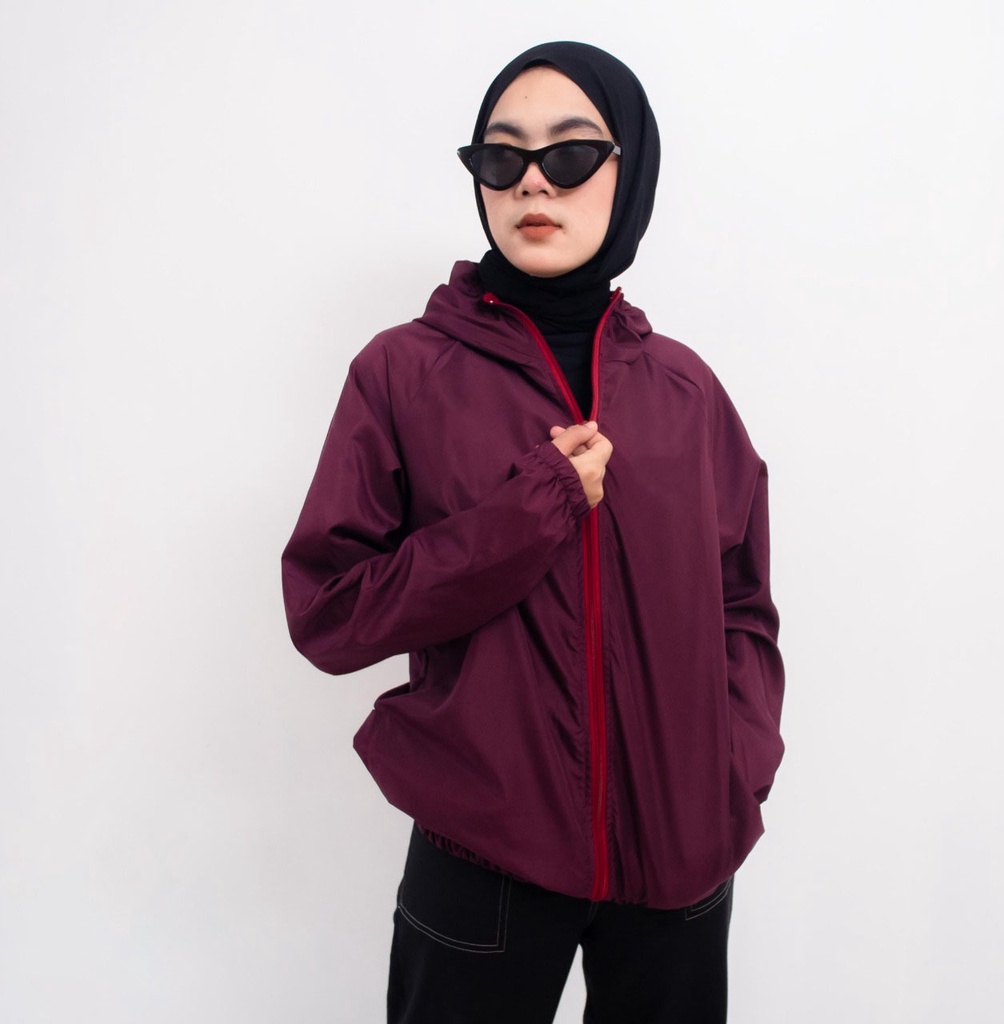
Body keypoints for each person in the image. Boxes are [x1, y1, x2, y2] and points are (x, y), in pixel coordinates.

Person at [282, 40, 784, 1024]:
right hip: (486, 857)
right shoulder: (402, 374)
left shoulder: (686, 389)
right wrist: (530, 511)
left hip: (681, 853)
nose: (531, 182)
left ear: (629, 171)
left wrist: (734, 765)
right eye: (501, 156)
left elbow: (743, 606)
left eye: (570, 153)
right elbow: (329, 613)